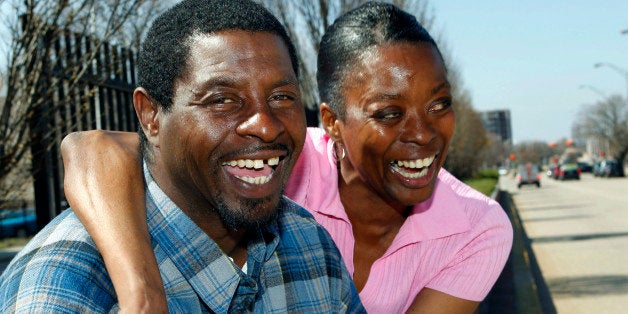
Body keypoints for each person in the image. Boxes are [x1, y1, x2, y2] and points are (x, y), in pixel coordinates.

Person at [59, 2, 513, 313]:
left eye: (439, 105)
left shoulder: (476, 229)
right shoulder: (287, 160)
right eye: (388, 113)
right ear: (332, 122)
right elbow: (97, 148)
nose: (421, 133)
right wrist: (142, 291)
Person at [0, 0, 365, 312]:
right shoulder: (65, 288)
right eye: (221, 100)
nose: (266, 126)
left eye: (282, 97)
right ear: (151, 117)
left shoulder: (309, 245)